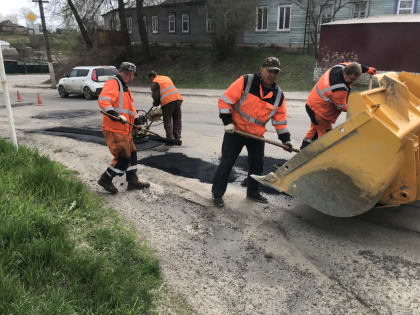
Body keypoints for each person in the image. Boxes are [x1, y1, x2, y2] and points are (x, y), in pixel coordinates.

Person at [211, 57, 293, 207]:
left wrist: (285, 140)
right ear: (261, 69)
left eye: (276, 72)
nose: (272, 75)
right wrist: (227, 122)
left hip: (256, 136)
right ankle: (217, 194)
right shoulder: (246, 81)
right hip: (234, 131)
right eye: (269, 71)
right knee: (226, 164)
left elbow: (280, 121)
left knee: (257, 165)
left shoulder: (278, 95)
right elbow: (225, 101)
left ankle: (253, 192)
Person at [97, 62, 150, 194]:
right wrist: (115, 115)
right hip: (114, 129)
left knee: (132, 154)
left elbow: (130, 109)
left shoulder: (124, 88)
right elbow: (103, 100)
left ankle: (132, 181)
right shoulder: (113, 83)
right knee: (123, 157)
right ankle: (106, 178)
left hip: (124, 129)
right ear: (129, 73)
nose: (133, 78)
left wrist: (138, 122)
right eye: (133, 75)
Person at [300, 62, 376, 149]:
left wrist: (367, 69)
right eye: (352, 79)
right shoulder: (339, 88)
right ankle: (319, 156)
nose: (353, 82)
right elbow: (341, 107)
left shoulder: (340, 66)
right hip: (319, 112)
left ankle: (303, 150)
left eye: (355, 79)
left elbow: (354, 65)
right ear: (346, 73)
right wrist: (359, 107)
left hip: (312, 103)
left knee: (314, 130)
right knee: (325, 136)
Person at [148, 71, 183, 145]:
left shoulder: (155, 82)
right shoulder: (166, 77)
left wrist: (155, 103)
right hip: (178, 99)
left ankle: (170, 139)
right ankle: (177, 138)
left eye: (150, 79)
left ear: (151, 77)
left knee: (167, 121)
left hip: (168, 102)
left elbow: (156, 95)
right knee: (177, 119)